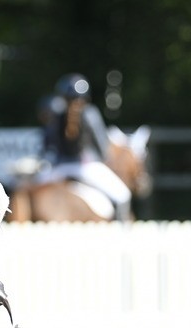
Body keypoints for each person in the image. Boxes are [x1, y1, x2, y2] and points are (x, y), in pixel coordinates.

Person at [38, 73, 131, 219]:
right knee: (123, 195)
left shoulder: (55, 114)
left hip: (58, 168)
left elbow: (47, 145)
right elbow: (102, 147)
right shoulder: (90, 114)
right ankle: (122, 229)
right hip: (85, 167)